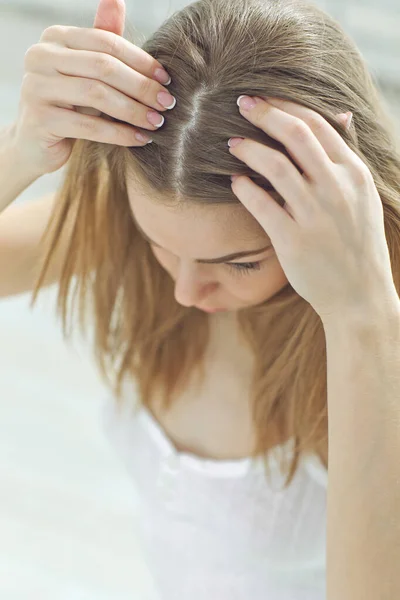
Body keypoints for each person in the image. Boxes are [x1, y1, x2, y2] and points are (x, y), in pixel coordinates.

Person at [1, 0, 400, 597]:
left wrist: (361, 316)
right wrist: (19, 153)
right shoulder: (144, 231)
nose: (186, 291)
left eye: (239, 262)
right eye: (157, 242)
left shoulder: (373, 331)